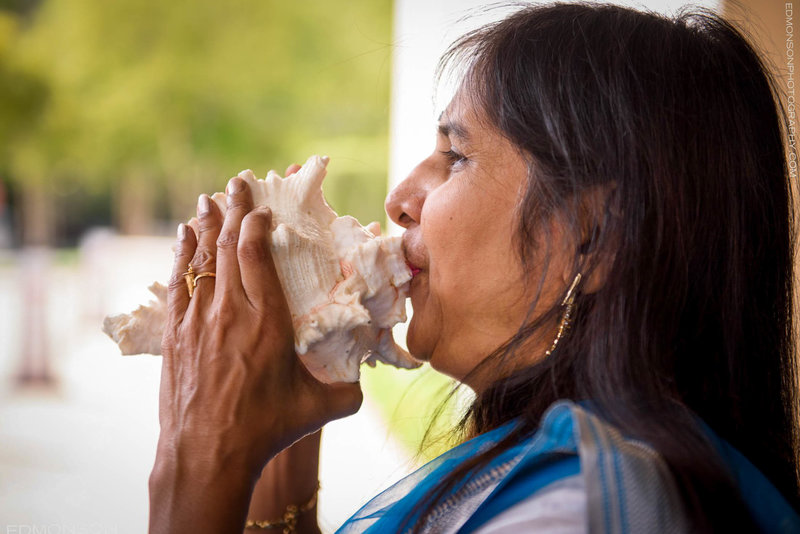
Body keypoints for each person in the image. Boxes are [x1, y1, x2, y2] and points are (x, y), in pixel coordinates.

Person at [147, 3, 800, 533]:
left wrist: (200, 456)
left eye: (455, 156)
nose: (400, 200)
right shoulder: (602, 477)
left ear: (593, 235)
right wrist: (276, 475)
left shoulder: (583, 511)